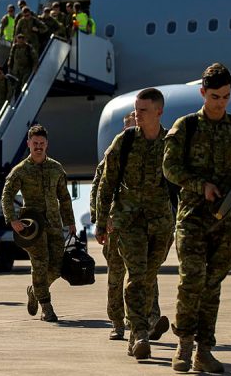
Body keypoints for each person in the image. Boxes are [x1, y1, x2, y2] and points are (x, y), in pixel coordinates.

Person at [163, 62, 231, 373]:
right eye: (216, 96)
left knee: (213, 284)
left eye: (226, 96)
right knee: (192, 280)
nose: (221, 102)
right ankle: (184, 346)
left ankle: (204, 350)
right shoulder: (186, 127)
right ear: (203, 93)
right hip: (191, 217)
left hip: (223, 219)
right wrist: (199, 185)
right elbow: (170, 168)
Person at [97, 88, 174, 360]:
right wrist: (100, 219)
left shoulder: (172, 143)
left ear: (158, 112)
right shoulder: (125, 141)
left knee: (149, 276)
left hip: (161, 223)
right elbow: (106, 183)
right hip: (128, 221)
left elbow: (184, 183)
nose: (137, 115)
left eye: (143, 110)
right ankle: (139, 332)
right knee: (137, 275)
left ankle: (138, 329)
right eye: (136, 109)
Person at [1, 125, 76, 322]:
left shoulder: (56, 168)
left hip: (54, 223)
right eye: (35, 143)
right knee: (40, 263)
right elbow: (7, 195)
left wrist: (70, 222)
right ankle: (46, 306)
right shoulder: (21, 170)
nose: (38, 147)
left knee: (57, 267)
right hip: (32, 227)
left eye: (42, 143)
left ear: (47, 144)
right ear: (28, 144)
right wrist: (12, 219)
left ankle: (34, 291)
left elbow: (64, 197)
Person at [90, 111, 135, 340]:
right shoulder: (112, 156)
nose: (135, 130)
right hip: (115, 226)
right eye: (130, 126)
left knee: (145, 276)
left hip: (139, 227)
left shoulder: (151, 153)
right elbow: (99, 189)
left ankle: (147, 319)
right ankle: (117, 322)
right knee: (116, 278)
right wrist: (100, 220)